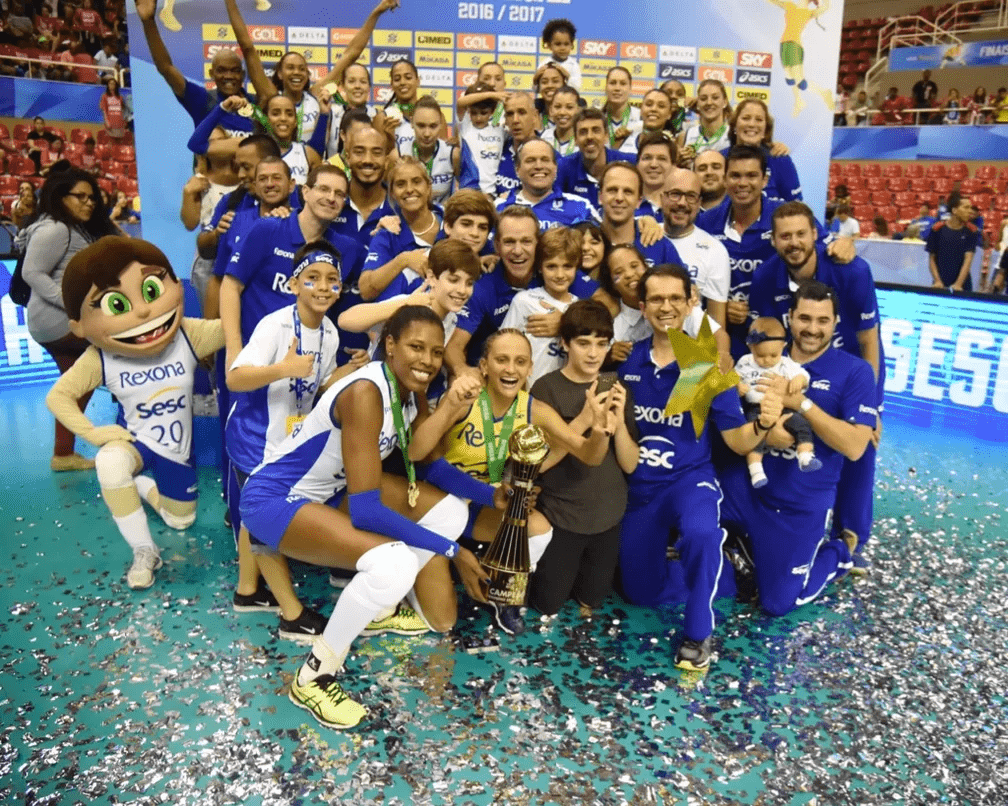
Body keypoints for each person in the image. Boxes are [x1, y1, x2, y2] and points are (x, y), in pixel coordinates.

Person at [239, 306, 523, 728]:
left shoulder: (405, 390)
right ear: (389, 345)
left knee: (448, 512)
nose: (427, 361)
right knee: (394, 564)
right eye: (415, 347)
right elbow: (368, 508)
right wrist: (455, 553)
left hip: (329, 492)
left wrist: (490, 496)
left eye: (435, 351)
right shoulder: (365, 393)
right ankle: (314, 676)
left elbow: (423, 465)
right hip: (275, 499)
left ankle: (375, 609)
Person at [617, 264, 783, 670]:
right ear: (643, 306)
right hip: (640, 487)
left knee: (701, 532)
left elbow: (735, 440)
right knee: (638, 592)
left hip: (688, 482)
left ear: (692, 301)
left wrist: (762, 424)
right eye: (656, 298)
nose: (667, 306)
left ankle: (698, 630)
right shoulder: (627, 364)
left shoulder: (705, 367)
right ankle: (721, 572)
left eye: (676, 297)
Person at [46, 237, 224, 589]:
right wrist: (94, 434)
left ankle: (142, 487)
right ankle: (144, 551)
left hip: (176, 450)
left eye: (152, 288)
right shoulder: (100, 356)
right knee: (110, 463)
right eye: (116, 303)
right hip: (134, 442)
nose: (142, 312)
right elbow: (59, 396)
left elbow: (239, 331)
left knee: (180, 520)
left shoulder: (188, 334)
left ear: (175, 284)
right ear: (78, 325)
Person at [409, 326, 615, 632]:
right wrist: (450, 405)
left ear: (530, 368)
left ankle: (503, 590)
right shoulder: (465, 398)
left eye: (520, 362)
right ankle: (415, 573)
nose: (510, 369)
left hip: (477, 505)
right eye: (502, 359)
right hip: (432, 503)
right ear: (484, 366)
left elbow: (588, 454)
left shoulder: (534, 409)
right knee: (442, 623)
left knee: (539, 529)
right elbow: (421, 458)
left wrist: (599, 430)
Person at [225, 242, 360, 641]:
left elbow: (317, 382)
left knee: (254, 516)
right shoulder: (275, 326)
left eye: (331, 279)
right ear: (294, 284)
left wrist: (348, 374)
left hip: (287, 440)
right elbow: (234, 379)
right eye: (312, 278)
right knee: (263, 519)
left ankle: (248, 592)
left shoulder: (331, 332)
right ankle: (291, 613)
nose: (323, 287)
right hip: (253, 437)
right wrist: (283, 367)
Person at [719, 281, 876, 616]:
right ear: (790, 318)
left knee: (778, 603)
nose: (812, 328)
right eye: (804, 318)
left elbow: (854, 446)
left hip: (798, 505)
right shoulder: (759, 357)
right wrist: (763, 431)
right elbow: (728, 423)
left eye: (822, 321)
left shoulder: (855, 371)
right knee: (690, 514)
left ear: (835, 323)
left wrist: (802, 404)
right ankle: (745, 547)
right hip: (745, 488)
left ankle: (838, 553)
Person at [749, 201, 884, 563]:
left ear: (815, 235)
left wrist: (875, 404)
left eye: (800, 234)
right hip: (795, 369)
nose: (793, 242)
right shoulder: (764, 278)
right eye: (785, 236)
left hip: (851, 370)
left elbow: (870, 340)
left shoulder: (851, 270)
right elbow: (768, 335)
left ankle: (850, 539)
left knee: (859, 442)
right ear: (774, 240)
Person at [529, 302, 639, 615]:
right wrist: (583, 420)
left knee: (592, 600)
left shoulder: (617, 388)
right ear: (564, 343)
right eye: (583, 343)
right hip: (563, 515)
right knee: (547, 604)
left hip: (608, 515)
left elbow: (630, 464)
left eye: (601, 344)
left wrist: (615, 424)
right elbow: (537, 463)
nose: (593, 354)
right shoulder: (545, 389)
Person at [21, 169, 118, 472]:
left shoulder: (72, 227)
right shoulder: (56, 229)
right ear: (61, 197)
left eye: (92, 197)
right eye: (81, 197)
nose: (89, 203)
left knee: (75, 386)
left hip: (54, 321)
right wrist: (73, 305)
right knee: (116, 357)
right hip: (58, 321)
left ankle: (63, 455)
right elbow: (31, 272)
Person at [445, 206, 600, 372]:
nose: (518, 251)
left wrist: (567, 322)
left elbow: (608, 305)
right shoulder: (482, 287)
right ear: (497, 246)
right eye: (509, 242)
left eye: (526, 241)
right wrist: (466, 375)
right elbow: (453, 348)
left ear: (537, 244)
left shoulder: (555, 271)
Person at [135, 0, 255, 137]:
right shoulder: (202, 100)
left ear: (243, 74)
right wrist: (148, 22)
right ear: (211, 74)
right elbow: (166, 68)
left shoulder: (257, 104)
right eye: (221, 70)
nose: (228, 76)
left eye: (234, 70)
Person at [735, 317, 820, 488]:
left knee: (802, 424)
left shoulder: (785, 364)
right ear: (751, 347)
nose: (767, 360)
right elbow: (733, 378)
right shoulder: (745, 362)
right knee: (753, 434)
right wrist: (737, 386)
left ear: (782, 347)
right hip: (756, 408)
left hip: (783, 408)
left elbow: (803, 375)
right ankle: (755, 469)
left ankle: (805, 456)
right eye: (760, 355)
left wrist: (798, 381)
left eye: (773, 355)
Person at [501, 227, 581, 385]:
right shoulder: (524, 301)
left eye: (567, 266)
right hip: (526, 390)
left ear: (577, 266)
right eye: (551, 266)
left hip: (563, 395)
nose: (559, 275)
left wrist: (565, 324)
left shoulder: (579, 308)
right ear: (540, 267)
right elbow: (503, 345)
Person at [358, 157, 442, 302]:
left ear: (428, 187)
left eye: (416, 182)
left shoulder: (452, 224)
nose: (409, 190)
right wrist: (403, 260)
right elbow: (365, 289)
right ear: (392, 193)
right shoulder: (388, 234)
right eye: (401, 184)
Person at [662, 168, 729, 329]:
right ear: (662, 198)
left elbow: (716, 324)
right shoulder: (643, 234)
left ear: (699, 203)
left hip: (686, 347)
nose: (682, 203)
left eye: (691, 197)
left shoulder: (715, 251)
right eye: (675, 194)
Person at [494, 138, 599, 230]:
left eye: (545, 160)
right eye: (530, 160)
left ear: (555, 168)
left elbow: (602, 242)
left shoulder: (581, 206)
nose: (539, 166)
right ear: (517, 169)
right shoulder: (499, 208)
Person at [598, 161, 681, 268]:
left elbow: (687, 284)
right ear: (600, 197)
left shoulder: (660, 245)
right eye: (612, 190)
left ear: (639, 201)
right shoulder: (586, 241)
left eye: (628, 192)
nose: (619, 198)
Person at [724, 99, 802, 202]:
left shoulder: (780, 160)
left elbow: (796, 206)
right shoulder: (720, 159)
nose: (752, 124)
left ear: (766, 129)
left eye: (759, 120)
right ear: (734, 125)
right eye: (746, 118)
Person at [767, 0, 834, 117]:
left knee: (800, 81)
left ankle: (824, 93)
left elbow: (826, 7)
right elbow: (774, 1)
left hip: (795, 44)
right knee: (789, 79)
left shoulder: (810, 12)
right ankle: (799, 101)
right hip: (784, 43)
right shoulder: (790, 6)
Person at [407, 96, 478, 206]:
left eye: (433, 126)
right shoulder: (399, 154)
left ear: (441, 124)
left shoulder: (452, 154)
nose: (427, 133)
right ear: (411, 123)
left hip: (442, 219)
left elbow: (468, 189)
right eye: (421, 126)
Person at [556, 108, 625, 209]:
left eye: (596, 130)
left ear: (606, 136)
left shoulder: (627, 163)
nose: (589, 137)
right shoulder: (563, 167)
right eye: (583, 132)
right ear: (575, 139)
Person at [456, 81, 507, 194]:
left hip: (492, 192)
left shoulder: (497, 127)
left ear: (492, 111)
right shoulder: (465, 126)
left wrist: (497, 99)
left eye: (483, 113)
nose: (478, 118)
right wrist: (491, 94)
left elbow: (505, 105)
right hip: (468, 191)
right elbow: (460, 102)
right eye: (474, 113)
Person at [927, 192, 979, 291]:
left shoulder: (972, 231)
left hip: (963, 286)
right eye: (966, 207)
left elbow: (968, 260)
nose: (970, 211)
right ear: (954, 210)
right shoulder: (937, 229)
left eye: (970, 208)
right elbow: (932, 259)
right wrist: (937, 281)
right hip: (940, 285)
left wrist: (958, 284)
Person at [495, 92, 541, 197]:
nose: (515, 120)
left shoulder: (548, 156)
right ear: (505, 120)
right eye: (510, 114)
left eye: (522, 112)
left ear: (535, 116)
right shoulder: (496, 149)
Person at [678, 80, 731, 164]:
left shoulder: (733, 135)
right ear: (698, 104)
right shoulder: (685, 136)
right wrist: (678, 163)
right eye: (703, 98)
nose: (709, 102)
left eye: (715, 98)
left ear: (725, 102)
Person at [620, 90, 676, 156]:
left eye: (661, 106)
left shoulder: (673, 150)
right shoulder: (622, 141)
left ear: (669, 114)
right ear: (641, 110)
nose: (654, 109)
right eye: (649, 104)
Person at [635, 132, 677, 219]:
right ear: (637, 164)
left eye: (662, 159)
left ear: (674, 167)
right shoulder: (625, 205)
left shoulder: (682, 208)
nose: (653, 165)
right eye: (647, 158)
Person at [601, 67, 642, 149]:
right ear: (605, 87)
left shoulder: (641, 117)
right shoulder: (597, 118)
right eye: (612, 83)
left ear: (630, 89)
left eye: (623, 84)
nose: (617, 88)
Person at [539, 18, 581, 91]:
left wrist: (566, 74)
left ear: (571, 45)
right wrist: (537, 76)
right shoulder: (544, 64)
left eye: (566, 44)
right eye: (558, 44)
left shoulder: (574, 65)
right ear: (549, 45)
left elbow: (577, 88)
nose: (562, 48)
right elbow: (537, 89)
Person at [541, 85, 580, 158]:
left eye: (569, 107)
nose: (562, 112)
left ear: (578, 111)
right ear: (551, 110)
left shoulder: (583, 140)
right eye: (557, 107)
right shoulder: (542, 139)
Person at [532, 63, 568, 131]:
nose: (550, 85)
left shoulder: (575, 115)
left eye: (555, 81)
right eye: (544, 82)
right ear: (539, 87)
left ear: (564, 85)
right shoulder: (535, 114)